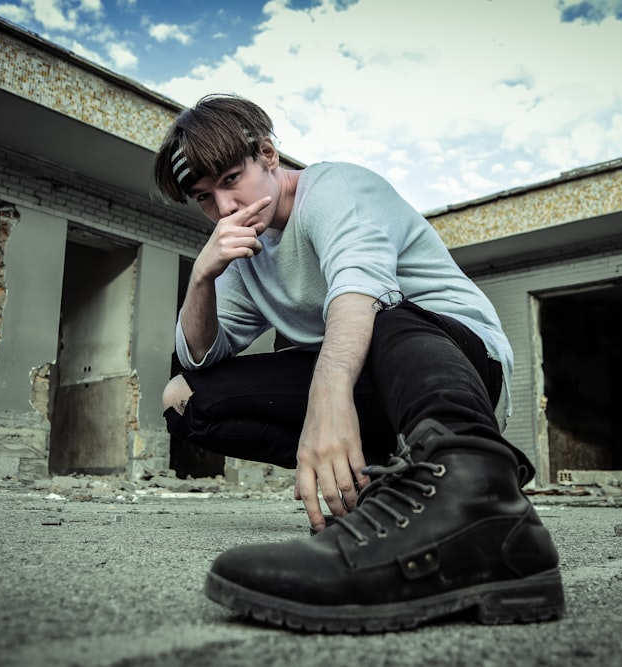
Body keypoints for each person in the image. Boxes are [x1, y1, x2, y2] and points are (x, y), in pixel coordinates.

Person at [152, 94, 564, 632]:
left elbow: (359, 289)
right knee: (186, 398)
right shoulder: (243, 248)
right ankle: (386, 490)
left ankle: (477, 497)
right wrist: (202, 275)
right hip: (367, 381)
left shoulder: (335, 190)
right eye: (205, 198)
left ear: (268, 154)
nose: (225, 208)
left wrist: (328, 398)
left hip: (457, 367)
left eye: (232, 179)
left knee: (378, 313)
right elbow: (199, 356)